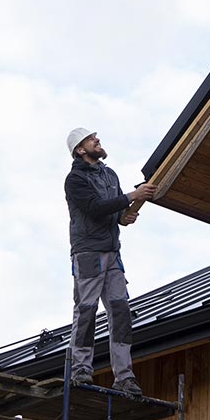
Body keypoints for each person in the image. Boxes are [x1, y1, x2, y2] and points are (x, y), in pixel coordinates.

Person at [64, 127, 156, 395]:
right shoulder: (75, 180)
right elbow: (93, 208)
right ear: (80, 150)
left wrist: (124, 216)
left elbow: (112, 211)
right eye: (91, 139)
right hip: (88, 253)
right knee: (87, 310)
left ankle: (125, 377)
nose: (97, 140)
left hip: (112, 252)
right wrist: (131, 197)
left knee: (120, 312)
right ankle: (81, 369)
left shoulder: (109, 175)